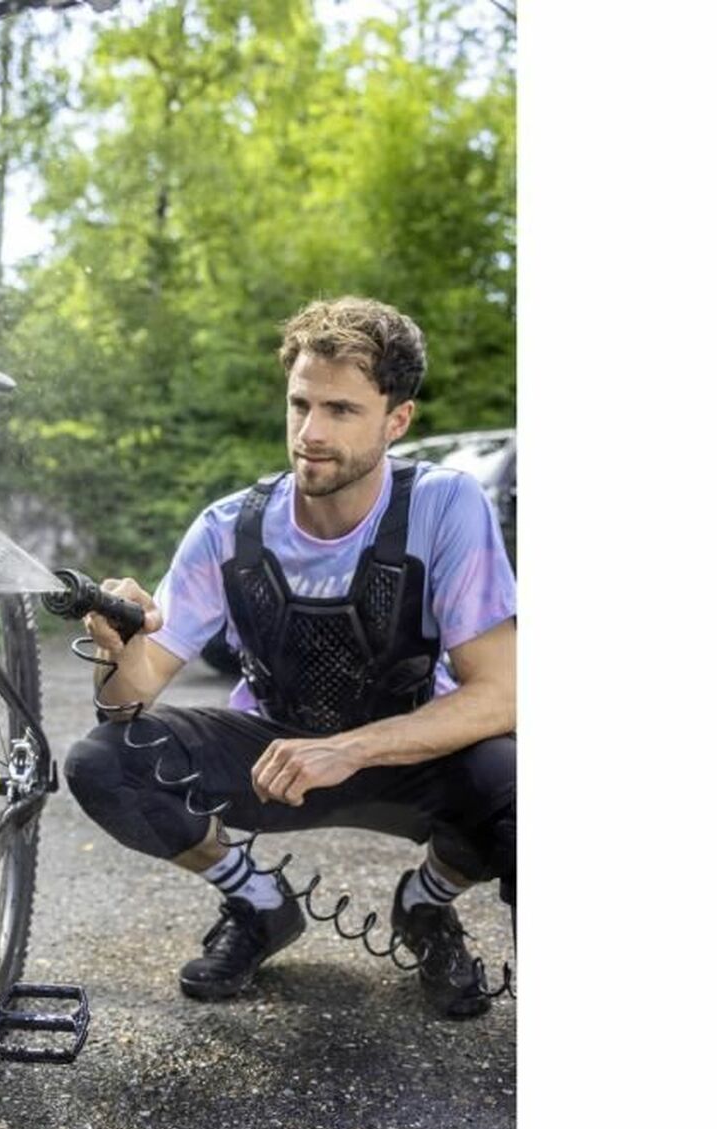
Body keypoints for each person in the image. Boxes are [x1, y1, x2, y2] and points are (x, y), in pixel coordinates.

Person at [63, 296, 516, 1019]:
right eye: (300, 404)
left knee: (521, 783)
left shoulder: (445, 507)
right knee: (103, 759)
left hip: (410, 755)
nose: (310, 432)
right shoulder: (227, 529)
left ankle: (425, 908)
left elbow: (501, 694)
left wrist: (346, 749)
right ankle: (259, 904)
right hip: (275, 758)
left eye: (340, 410)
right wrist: (119, 646)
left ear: (396, 421)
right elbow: (127, 703)